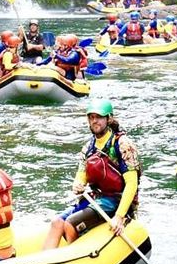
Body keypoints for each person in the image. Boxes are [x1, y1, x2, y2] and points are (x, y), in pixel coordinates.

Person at [42, 100, 140, 249]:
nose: (94, 121)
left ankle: (74, 261)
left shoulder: (123, 145)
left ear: (109, 118)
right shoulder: (89, 146)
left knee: (70, 224)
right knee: (57, 223)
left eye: (98, 117)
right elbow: (81, 173)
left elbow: (132, 183)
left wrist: (119, 217)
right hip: (98, 197)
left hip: (117, 199)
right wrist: (78, 183)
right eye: (91, 117)